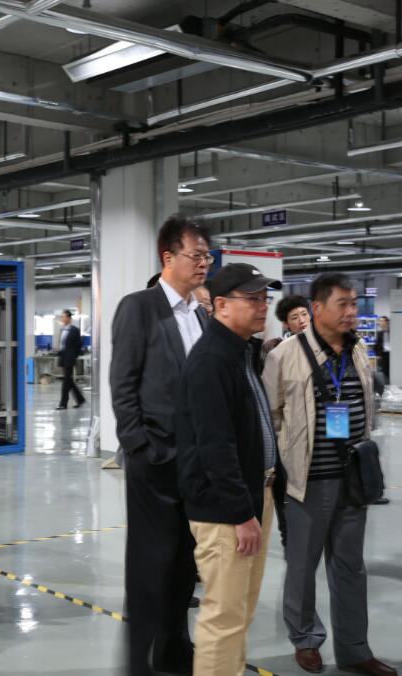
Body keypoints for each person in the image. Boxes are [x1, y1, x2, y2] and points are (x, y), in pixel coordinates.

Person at [262, 274, 396, 676]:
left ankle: (355, 650)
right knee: (303, 567)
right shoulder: (285, 355)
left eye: (354, 304)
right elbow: (270, 416)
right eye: (343, 304)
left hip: (353, 479)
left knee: (351, 567)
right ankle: (305, 639)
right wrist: (278, 468)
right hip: (308, 481)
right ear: (317, 308)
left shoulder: (358, 349)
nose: (352, 312)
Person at [109, 214, 212, 676]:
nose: (204, 264)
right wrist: (139, 446)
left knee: (184, 564)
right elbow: (123, 382)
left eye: (208, 256)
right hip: (155, 460)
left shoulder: (200, 315)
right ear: (168, 257)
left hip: (194, 463)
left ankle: (173, 646)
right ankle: (139, 661)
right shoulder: (140, 307)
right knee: (149, 566)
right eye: (197, 255)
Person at [176, 263, 281, 676]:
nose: (262, 306)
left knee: (241, 611)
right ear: (221, 305)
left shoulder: (240, 352)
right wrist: (241, 514)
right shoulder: (211, 361)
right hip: (225, 511)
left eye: (265, 298)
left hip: (252, 498)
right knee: (224, 617)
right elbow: (215, 447)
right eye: (252, 299)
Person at [55, 309, 86, 410]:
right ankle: (80, 399)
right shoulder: (62, 330)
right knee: (69, 380)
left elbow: (79, 345)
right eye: (62, 317)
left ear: (69, 318)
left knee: (66, 381)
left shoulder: (74, 330)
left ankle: (63, 404)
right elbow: (63, 344)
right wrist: (59, 351)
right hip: (63, 357)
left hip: (70, 358)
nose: (62, 319)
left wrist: (73, 356)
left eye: (64, 317)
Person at [372, 316, 390, 384]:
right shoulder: (379, 333)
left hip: (392, 355)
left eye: (382, 321)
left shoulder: (392, 332)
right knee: (385, 372)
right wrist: (378, 354)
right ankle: (386, 385)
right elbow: (376, 346)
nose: (380, 323)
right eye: (380, 321)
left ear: (386, 322)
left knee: (392, 371)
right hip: (384, 355)